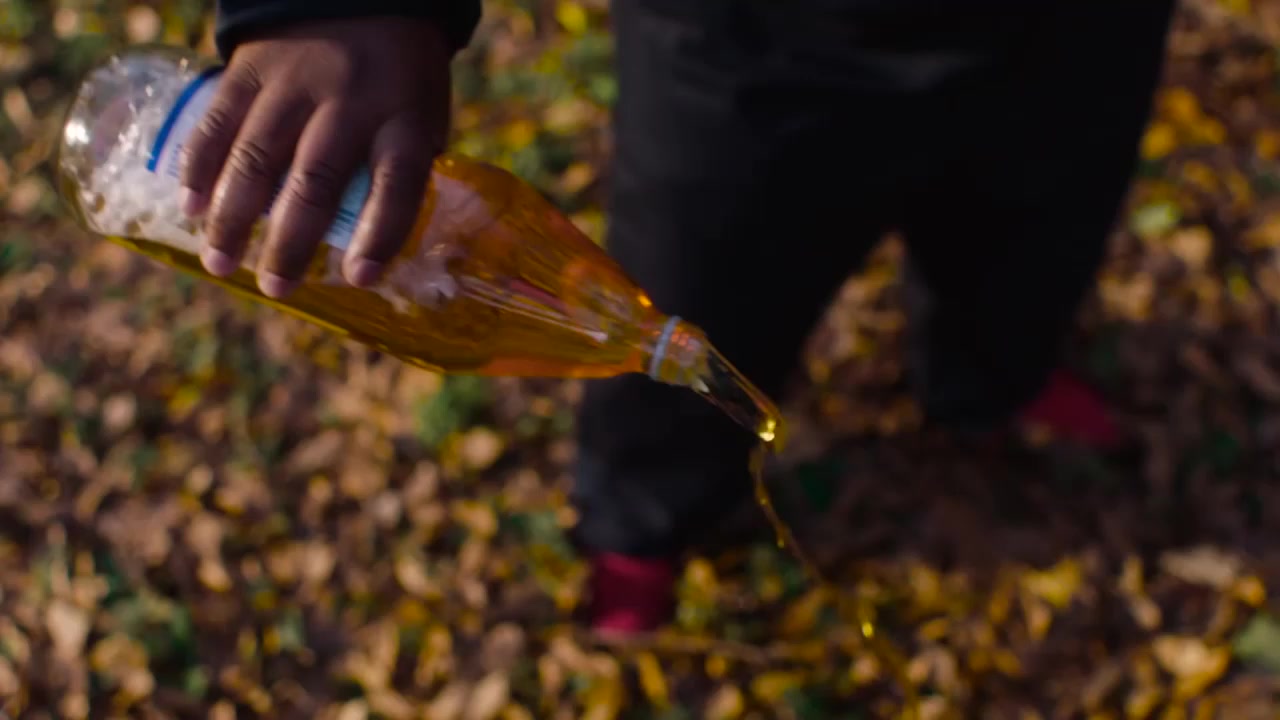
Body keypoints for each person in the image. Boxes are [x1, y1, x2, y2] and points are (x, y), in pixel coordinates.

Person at [191, 0, 1177, 635]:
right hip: (749, 40)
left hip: (1080, 31)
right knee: (694, 307)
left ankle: (989, 383)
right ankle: (645, 519)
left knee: (1030, 244)